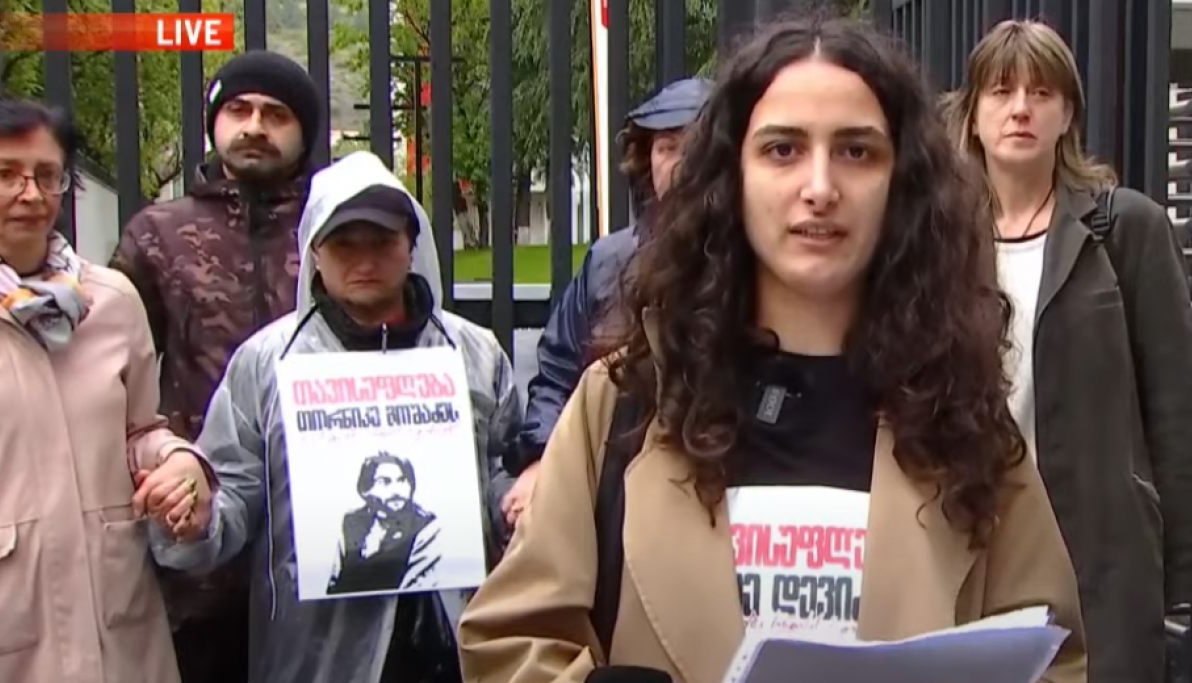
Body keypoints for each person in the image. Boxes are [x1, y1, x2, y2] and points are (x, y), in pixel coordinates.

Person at [458, 16, 1086, 683]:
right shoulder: (624, 402)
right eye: (783, 149)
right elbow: (509, 640)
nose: (820, 187)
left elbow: (1054, 654)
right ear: (732, 176)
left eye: (857, 151)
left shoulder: (960, 415)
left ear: (902, 182)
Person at [146, 150, 520, 683]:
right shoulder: (267, 362)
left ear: (411, 247)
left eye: (382, 241)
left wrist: (516, 502)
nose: (364, 260)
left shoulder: (474, 354)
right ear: (314, 252)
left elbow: (501, 468)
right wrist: (195, 517)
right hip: (315, 650)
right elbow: (233, 491)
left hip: (451, 645)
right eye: (345, 243)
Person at [942, 20, 1192, 681]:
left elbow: (1179, 411)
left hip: (1098, 555)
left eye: (1041, 93)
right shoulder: (938, 241)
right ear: (973, 115)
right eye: (1001, 91)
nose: (1020, 109)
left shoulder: (1126, 229)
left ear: (1067, 114)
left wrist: (1178, 582)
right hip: (970, 543)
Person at [0, 96, 213, 682]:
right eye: (4, 174)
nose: (30, 194)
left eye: (47, 175)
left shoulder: (111, 301)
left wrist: (180, 462)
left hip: (114, 628)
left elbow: (141, 431)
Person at [107, 48, 325, 683]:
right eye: (239, 109)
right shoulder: (158, 235)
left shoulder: (334, 230)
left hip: (314, 520)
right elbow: (114, 370)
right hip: (196, 522)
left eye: (276, 114)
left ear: (304, 131)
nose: (255, 126)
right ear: (214, 122)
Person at [504, 76, 713, 525]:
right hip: (612, 480)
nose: (681, 164)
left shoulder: (760, 261)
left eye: (698, 146)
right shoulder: (608, 261)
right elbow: (557, 376)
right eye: (667, 147)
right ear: (647, 161)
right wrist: (541, 461)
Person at [328, 452, 444, 595]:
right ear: (366, 490)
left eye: (402, 480)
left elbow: (414, 591)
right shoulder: (352, 522)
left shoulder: (426, 526)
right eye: (384, 482)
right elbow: (333, 584)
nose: (396, 491)